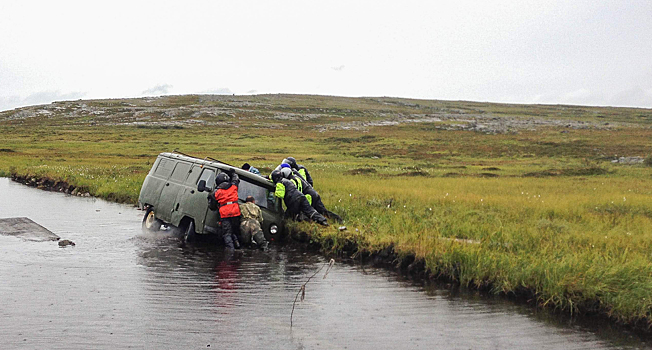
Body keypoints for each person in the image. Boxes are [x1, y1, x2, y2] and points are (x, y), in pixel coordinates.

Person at [214, 169, 241, 249]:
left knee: (227, 233)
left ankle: (231, 250)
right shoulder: (233, 187)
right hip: (235, 212)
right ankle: (237, 244)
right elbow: (236, 179)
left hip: (225, 214)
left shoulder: (217, 192)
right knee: (235, 230)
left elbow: (212, 205)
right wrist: (233, 173)